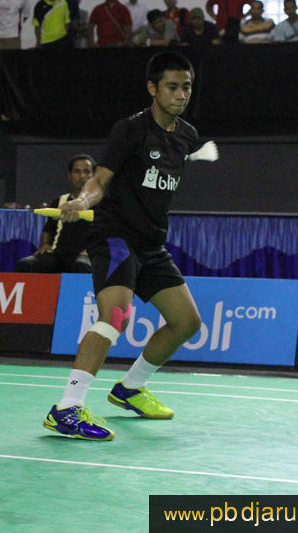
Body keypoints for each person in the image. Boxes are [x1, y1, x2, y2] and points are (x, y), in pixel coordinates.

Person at [43, 51, 204, 441]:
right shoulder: (131, 130)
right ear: (152, 88)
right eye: (172, 86)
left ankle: (130, 388)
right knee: (116, 316)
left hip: (151, 242)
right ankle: (66, 408)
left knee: (187, 322)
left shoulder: (187, 136)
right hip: (115, 236)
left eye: (186, 86)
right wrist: (82, 200)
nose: (181, 94)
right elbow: (100, 180)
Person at [13, 155, 96, 274]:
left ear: (94, 176)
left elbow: (107, 234)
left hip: (84, 254)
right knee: (25, 264)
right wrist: (45, 245)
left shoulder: (102, 203)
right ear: (70, 175)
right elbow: (48, 229)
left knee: (82, 266)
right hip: (57, 254)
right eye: (77, 171)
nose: (82, 176)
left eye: (86, 172)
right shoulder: (59, 201)